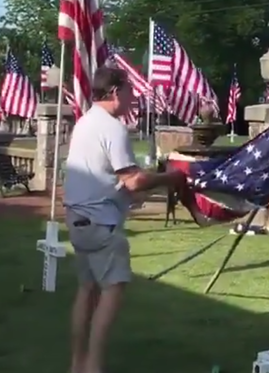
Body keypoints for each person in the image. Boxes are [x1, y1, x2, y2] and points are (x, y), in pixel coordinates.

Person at [62, 66, 187, 373]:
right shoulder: (112, 127)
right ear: (116, 92)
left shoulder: (84, 122)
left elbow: (108, 178)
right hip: (100, 224)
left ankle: (77, 365)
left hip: (76, 219)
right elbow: (133, 180)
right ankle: (94, 367)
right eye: (131, 92)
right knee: (112, 290)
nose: (134, 99)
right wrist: (170, 177)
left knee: (86, 290)